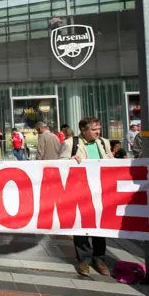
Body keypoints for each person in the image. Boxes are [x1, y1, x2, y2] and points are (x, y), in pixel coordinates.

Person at [59, 117, 112, 277]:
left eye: (98, 129)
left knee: (100, 226)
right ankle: (83, 259)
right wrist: (69, 160)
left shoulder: (103, 142)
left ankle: (99, 258)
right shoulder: (70, 143)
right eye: (94, 129)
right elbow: (59, 164)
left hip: (102, 190)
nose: (97, 132)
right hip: (80, 192)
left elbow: (109, 158)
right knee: (81, 226)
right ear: (83, 130)